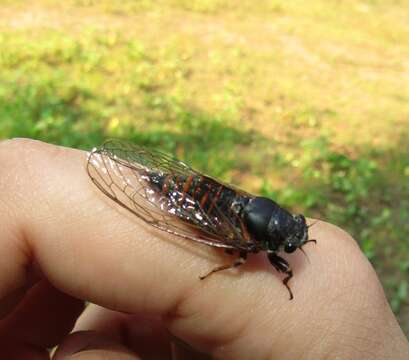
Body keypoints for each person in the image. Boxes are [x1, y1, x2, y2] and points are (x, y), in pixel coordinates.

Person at [0, 138, 407, 360]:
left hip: (230, 203)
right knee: (163, 218)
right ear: (268, 242)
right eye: (288, 241)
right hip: (204, 215)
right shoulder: (247, 246)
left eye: (293, 237)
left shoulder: (268, 237)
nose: (291, 250)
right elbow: (248, 258)